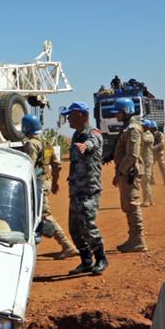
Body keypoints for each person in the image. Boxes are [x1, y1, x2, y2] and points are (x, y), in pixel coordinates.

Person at [20, 114, 78, 259]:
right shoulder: (46, 143)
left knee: (44, 215)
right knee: (36, 216)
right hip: (46, 181)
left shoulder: (32, 144)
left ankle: (67, 245)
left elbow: (29, 166)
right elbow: (57, 165)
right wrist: (55, 182)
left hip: (38, 184)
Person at [62, 102, 108, 275]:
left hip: (89, 188)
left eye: (70, 115)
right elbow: (75, 162)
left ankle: (101, 258)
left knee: (88, 225)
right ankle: (86, 261)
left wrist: (85, 146)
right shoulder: (76, 135)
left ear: (81, 115)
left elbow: (92, 143)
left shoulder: (93, 134)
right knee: (74, 228)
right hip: (76, 189)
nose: (68, 119)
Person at [111, 98, 147, 252]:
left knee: (132, 205)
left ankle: (138, 240)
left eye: (118, 112)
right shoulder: (128, 127)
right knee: (128, 205)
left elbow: (132, 155)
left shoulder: (132, 129)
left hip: (129, 173)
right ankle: (133, 238)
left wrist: (120, 172)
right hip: (126, 172)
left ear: (125, 111)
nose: (116, 116)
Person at [140, 120, 156, 207]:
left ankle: (146, 201)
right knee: (145, 181)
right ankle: (150, 200)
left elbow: (144, 140)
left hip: (147, 161)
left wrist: (138, 133)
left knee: (145, 181)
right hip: (144, 160)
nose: (141, 127)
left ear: (147, 127)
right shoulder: (144, 134)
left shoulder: (149, 135)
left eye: (143, 126)